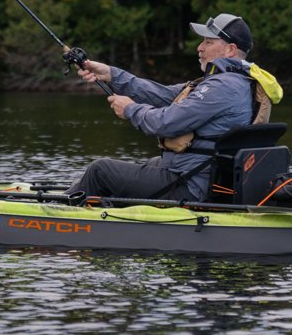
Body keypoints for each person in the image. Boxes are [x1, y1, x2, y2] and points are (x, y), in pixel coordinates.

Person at [66, 13, 279, 204]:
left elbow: (166, 123)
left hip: (191, 186)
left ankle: (59, 212)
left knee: (101, 170)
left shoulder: (223, 87)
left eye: (208, 42)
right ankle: (86, 200)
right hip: (198, 175)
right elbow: (162, 95)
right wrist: (111, 75)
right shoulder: (234, 81)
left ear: (230, 49)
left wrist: (130, 109)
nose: (200, 48)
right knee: (152, 163)